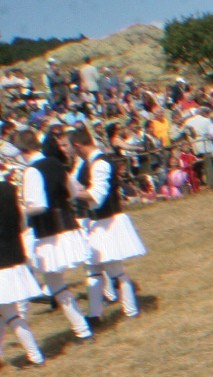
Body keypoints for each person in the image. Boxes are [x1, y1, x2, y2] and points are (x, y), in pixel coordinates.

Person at [13, 128, 92, 339]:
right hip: (66, 225)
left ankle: (82, 329)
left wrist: (18, 209)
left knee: (44, 282)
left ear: (22, 151)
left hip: (49, 233)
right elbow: (73, 192)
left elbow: (37, 206)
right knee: (55, 285)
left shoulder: (31, 171)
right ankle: (82, 329)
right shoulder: (55, 163)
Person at [67, 126, 146, 321]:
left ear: (77, 145)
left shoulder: (100, 164)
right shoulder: (87, 163)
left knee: (115, 270)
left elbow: (97, 196)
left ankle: (130, 310)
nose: (70, 151)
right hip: (97, 222)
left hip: (108, 221)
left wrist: (71, 194)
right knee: (93, 269)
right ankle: (95, 315)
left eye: (71, 147)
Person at [0, 169, 46, 365]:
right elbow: (20, 221)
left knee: (10, 314)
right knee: (6, 312)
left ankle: (36, 356)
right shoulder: (10, 189)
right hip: (13, 252)